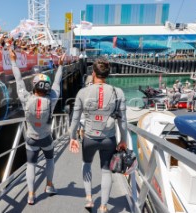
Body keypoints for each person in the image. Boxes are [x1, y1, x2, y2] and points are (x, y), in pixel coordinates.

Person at [69, 57, 127, 212]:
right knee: (106, 171)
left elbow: (75, 119)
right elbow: (123, 121)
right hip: (109, 138)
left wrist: (72, 138)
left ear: (93, 73)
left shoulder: (82, 92)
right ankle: (103, 206)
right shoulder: (118, 92)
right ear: (108, 74)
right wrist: (124, 140)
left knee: (86, 164)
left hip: (89, 137)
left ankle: (89, 198)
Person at [9, 48, 65, 205]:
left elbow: (19, 80)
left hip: (31, 138)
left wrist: (13, 60)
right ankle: (49, 185)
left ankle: (31, 194)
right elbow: (57, 82)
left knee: (31, 165)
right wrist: (60, 65)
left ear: (34, 86)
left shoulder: (26, 98)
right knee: (49, 160)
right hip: (46, 138)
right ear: (46, 88)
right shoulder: (52, 99)